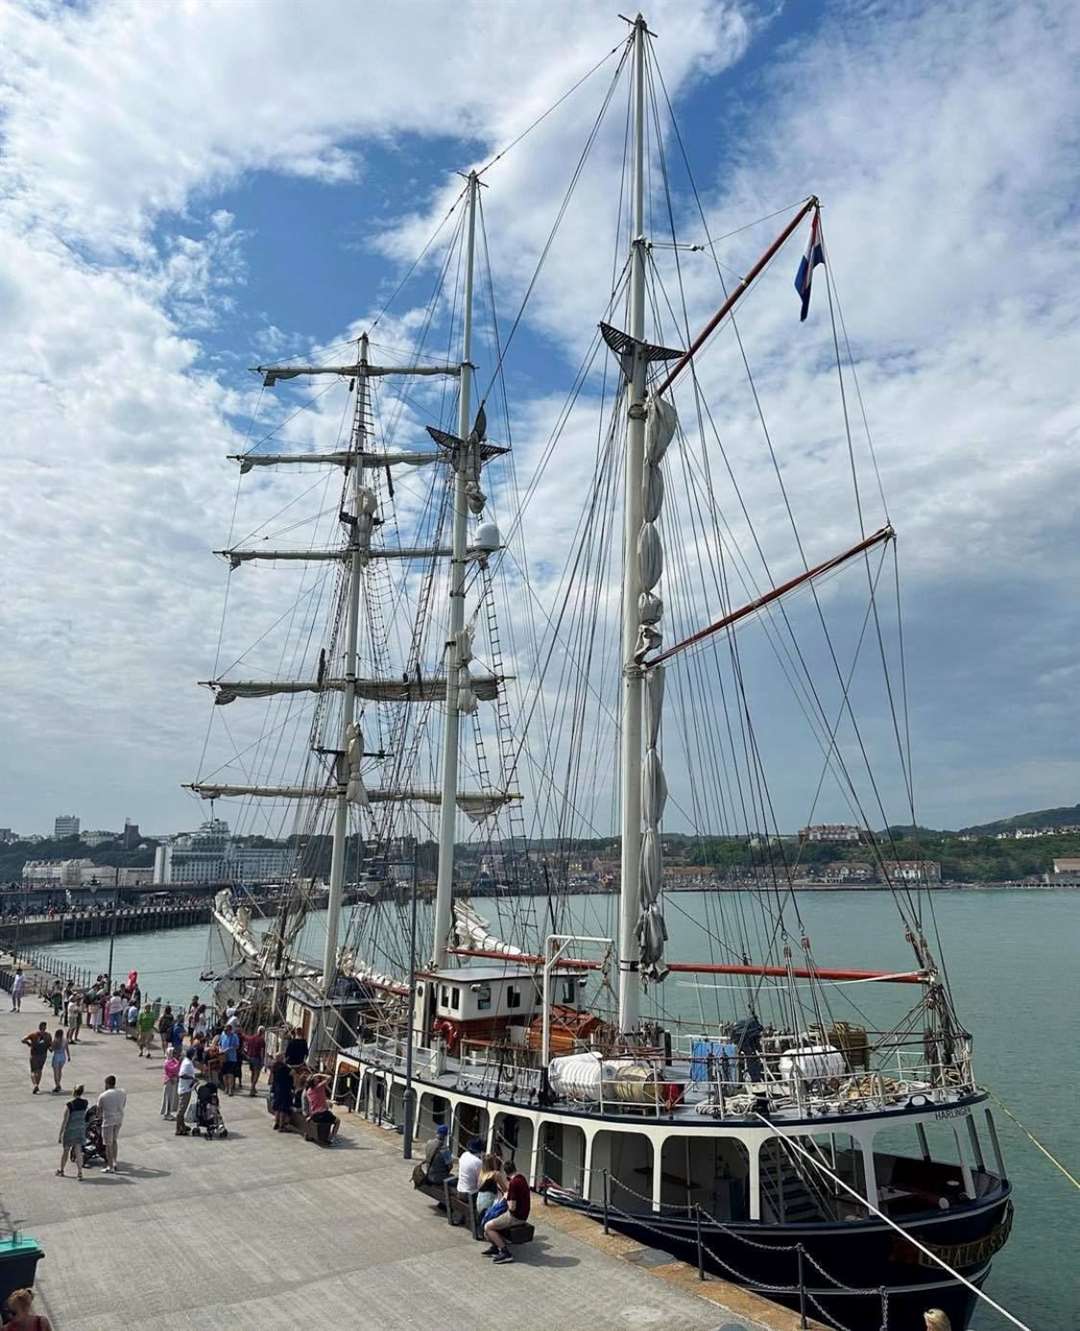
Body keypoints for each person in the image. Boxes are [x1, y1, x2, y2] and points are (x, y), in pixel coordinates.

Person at [482, 1161, 531, 1264]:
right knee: (493, 1221)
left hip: (515, 1217)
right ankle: (496, 1246)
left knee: (487, 1227)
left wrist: (506, 1198)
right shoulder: (521, 1178)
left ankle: (506, 1253)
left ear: (505, 1172)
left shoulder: (513, 1183)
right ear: (515, 1168)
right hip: (523, 1214)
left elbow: (512, 1207)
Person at [56, 1082, 88, 1180]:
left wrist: (60, 1134)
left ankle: (61, 1170)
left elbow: (65, 1121)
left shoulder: (70, 1105)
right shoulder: (85, 1103)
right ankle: (80, 1173)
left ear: (74, 1092)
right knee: (78, 1152)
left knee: (66, 1151)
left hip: (70, 1131)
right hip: (80, 1129)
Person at [97, 1074, 127, 1173]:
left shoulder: (103, 1096)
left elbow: (99, 1111)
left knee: (107, 1144)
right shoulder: (122, 1092)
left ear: (107, 1084)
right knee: (114, 1140)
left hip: (108, 1121)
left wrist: (99, 1118)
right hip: (119, 1119)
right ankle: (114, 1162)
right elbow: (123, 1104)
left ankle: (110, 1166)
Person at [302, 1073, 339, 1139]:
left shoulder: (308, 1092)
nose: (318, 1079)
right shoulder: (319, 1087)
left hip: (314, 1115)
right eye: (316, 1078)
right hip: (322, 1113)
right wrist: (319, 1074)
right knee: (337, 1121)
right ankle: (333, 1137)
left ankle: (309, 1134)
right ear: (314, 1081)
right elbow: (329, 1077)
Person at [475, 1152, 506, 1222]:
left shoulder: (482, 1173)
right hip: (487, 1206)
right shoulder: (495, 1174)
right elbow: (505, 1190)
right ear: (493, 1163)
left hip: (479, 1205)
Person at [22, 1022, 52, 1094]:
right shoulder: (48, 1035)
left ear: (39, 1027)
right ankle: (37, 1085)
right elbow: (50, 1046)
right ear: (45, 1028)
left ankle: (35, 1085)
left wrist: (28, 1043)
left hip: (34, 1055)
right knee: (39, 1070)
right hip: (43, 1055)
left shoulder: (33, 1035)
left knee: (33, 1071)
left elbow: (23, 1039)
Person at [175, 1048, 197, 1136]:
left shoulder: (188, 1061)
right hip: (184, 1090)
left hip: (187, 1088)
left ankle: (182, 1125)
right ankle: (178, 1129)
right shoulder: (187, 1063)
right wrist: (192, 1078)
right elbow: (182, 1075)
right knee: (181, 1110)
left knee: (183, 1109)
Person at [270, 1053, 294, 1131]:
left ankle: (276, 1122)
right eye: (283, 1057)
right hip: (284, 1089)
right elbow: (292, 1073)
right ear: (280, 1058)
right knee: (283, 1108)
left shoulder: (274, 1066)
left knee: (277, 1107)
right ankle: (281, 1125)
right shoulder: (284, 1067)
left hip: (276, 1088)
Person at [218, 1023, 241, 1095]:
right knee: (224, 1074)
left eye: (227, 1030)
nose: (225, 1032)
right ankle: (226, 1087)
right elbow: (219, 1044)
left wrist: (229, 1049)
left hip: (232, 1057)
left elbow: (237, 1046)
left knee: (230, 1074)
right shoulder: (223, 1035)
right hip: (224, 1057)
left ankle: (230, 1089)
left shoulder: (234, 1036)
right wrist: (220, 1049)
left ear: (230, 1030)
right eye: (225, 1030)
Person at [244, 1025, 266, 1096]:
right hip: (257, 1058)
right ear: (262, 1032)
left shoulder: (251, 1038)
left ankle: (253, 1088)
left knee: (253, 1073)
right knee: (257, 1073)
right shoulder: (261, 1040)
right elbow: (262, 1051)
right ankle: (252, 1088)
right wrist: (262, 1061)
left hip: (250, 1058)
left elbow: (247, 1047)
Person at [161, 1046, 180, 1120]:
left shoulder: (173, 1060)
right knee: (167, 1098)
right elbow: (174, 1069)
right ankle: (166, 1113)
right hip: (169, 1081)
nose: (174, 1054)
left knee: (171, 1098)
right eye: (172, 1052)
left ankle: (169, 1113)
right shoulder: (167, 1062)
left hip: (173, 1081)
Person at [50, 1027, 69, 1093]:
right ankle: (59, 1083)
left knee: (56, 1072)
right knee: (60, 1071)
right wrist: (69, 1056)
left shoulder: (55, 1040)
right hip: (63, 1056)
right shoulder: (65, 1040)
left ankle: (57, 1085)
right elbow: (67, 1048)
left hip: (57, 1056)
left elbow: (51, 1050)